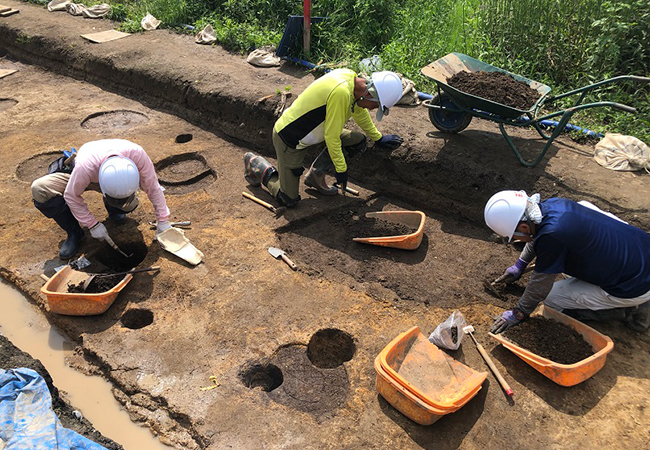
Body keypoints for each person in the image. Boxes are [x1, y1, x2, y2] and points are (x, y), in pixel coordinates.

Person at [484, 190, 650, 334]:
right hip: (639, 253)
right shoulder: (551, 205)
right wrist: (520, 264)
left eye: (513, 236)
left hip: (633, 285)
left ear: (524, 227)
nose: (514, 240)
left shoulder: (554, 236)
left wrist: (519, 313)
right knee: (584, 207)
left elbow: (539, 287)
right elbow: (537, 235)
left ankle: (625, 311)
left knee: (551, 299)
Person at [243, 69, 405, 207]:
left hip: (314, 133)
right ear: (369, 94)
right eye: (375, 106)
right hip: (291, 139)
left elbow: (359, 111)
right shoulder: (341, 93)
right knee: (288, 199)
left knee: (356, 141)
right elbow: (332, 137)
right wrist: (341, 170)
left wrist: (378, 138)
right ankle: (257, 166)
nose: (372, 109)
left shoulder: (353, 82)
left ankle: (316, 176)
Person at [31, 139, 171, 259]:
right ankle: (74, 233)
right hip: (85, 171)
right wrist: (92, 224)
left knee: (125, 207)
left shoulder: (138, 155)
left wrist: (163, 221)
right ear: (102, 188)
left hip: (105, 170)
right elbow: (71, 195)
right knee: (40, 189)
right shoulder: (85, 167)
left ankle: (115, 211)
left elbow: (153, 188)